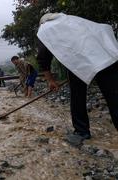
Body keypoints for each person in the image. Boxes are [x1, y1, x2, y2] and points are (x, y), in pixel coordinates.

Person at [37, 13, 118, 141]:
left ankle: (82, 132)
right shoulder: (73, 20)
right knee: (114, 97)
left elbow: (43, 57)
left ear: (42, 23)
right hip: (106, 57)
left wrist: (51, 80)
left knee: (78, 96)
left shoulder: (45, 29)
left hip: (79, 62)